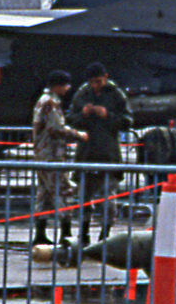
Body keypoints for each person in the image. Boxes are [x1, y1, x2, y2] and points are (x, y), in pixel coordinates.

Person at [65, 61, 133, 244]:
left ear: (105, 77)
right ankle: (84, 233)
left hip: (108, 153)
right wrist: (83, 115)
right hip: (86, 153)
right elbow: (70, 119)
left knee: (108, 198)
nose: (95, 85)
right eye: (92, 82)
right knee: (84, 198)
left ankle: (105, 234)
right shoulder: (82, 94)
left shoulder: (116, 94)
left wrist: (108, 116)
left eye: (98, 81)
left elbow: (127, 121)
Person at [30, 70, 84, 255]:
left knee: (44, 193)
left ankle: (40, 233)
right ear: (58, 85)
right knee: (63, 190)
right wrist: (78, 134)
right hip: (52, 155)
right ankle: (65, 234)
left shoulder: (42, 100)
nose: (68, 89)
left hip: (42, 154)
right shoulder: (51, 103)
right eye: (66, 85)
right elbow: (56, 128)